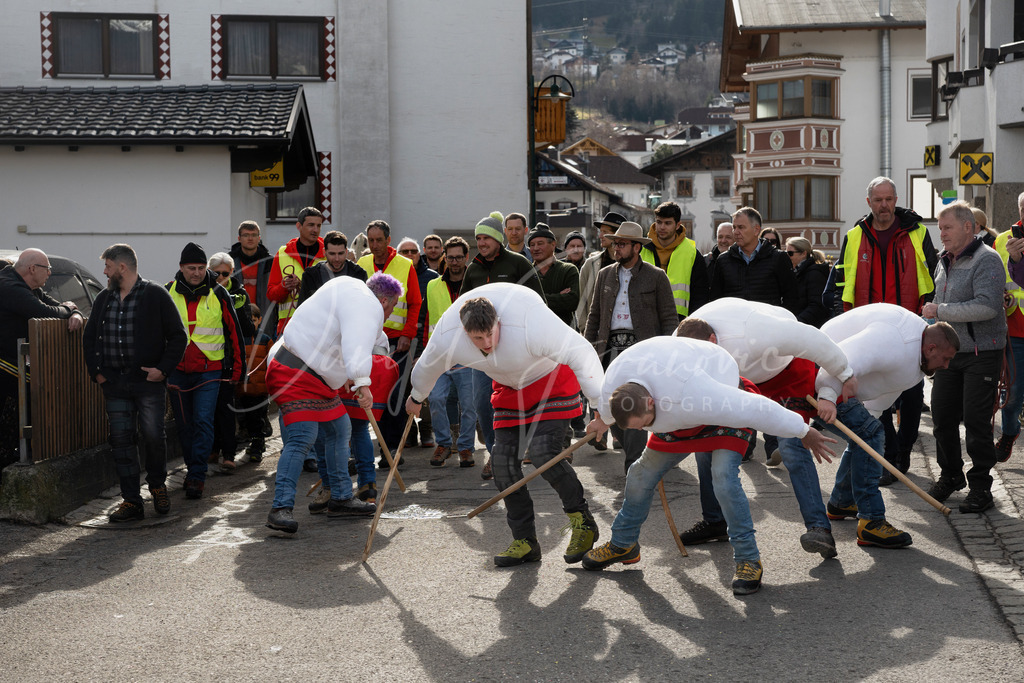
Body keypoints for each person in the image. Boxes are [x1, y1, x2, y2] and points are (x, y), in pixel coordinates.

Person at [580, 337, 836, 596]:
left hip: (721, 411)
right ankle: (623, 544)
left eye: (643, 424)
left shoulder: (696, 392)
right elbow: (611, 409)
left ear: (650, 402)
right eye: (638, 429)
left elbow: (759, 409)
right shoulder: (615, 382)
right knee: (639, 473)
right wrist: (602, 421)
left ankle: (749, 560)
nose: (643, 431)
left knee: (723, 479)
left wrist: (803, 431)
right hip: (676, 413)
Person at [405, 285, 604, 566]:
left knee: (544, 454)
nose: (487, 342)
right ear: (464, 333)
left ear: (499, 321)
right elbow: (427, 366)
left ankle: (582, 524)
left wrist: (600, 407)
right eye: (478, 338)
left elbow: (581, 351)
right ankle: (525, 541)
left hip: (550, 381)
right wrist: (416, 396)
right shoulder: (447, 336)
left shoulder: (528, 320)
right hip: (509, 388)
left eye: (491, 333)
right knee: (501, 464)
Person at [674, 298, 857, 558]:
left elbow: (810, 338)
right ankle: (715, 521)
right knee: (707, 441)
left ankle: (819, 529)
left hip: (783, 371)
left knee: (792, 445)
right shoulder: (680, 344)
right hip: (738, 379)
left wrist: (845, 374)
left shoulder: (756, 331)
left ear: (713, 341)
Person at [816, 304, 959, 546]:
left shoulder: (919, 358)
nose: (946, 366)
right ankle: (871, 522)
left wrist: (869, 417)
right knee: (872, 436)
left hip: (840, 384)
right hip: (820, 375)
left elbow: (887, 389)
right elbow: (842, 357)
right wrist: (827, 396)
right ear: (931, 347)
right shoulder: (897, 340)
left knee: (866, 434)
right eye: (945, 359)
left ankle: (841, 501)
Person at [264, 274, 397, 533]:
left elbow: (351, 339)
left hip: (314, 374)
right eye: (391, 308)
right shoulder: (366, 303)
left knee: (339, 429)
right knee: (303, 437)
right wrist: (362, 383)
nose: (390, 314)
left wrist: (348, 375)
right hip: (293, 371)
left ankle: (340, 498)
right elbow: (357, 344)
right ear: (383, 301)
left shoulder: (350, 288)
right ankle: (280, 508)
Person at [837, 177, 938, 484]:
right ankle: (891, 454)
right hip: (870, 334)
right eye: (878, 200)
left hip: (911, 332)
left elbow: (935, 277)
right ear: (869, 202)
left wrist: (931, 317)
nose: (884, 205)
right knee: (877, 397)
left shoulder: (918, 233)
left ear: (896, 200)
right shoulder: (855, 236)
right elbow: (840, 283)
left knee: (911, 395)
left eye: (889, 199)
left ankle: (904, 451)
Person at [83, 244, 187, 522]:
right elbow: (89, 337)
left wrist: (163, 371)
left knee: (154, 436)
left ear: (122, 267)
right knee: (121, 441)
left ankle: (157, 486)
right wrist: (98, 373)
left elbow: (178, 337)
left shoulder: (155, 294)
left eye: (107, 266)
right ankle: (131, 501)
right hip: (114, 384)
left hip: (148, 384)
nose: (104, 271)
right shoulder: (104, 298)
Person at [923, 201, 1007, 513]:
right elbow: (938, 299)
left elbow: (988, 307)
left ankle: (981, 487)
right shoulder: (944, 260)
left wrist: (939, 311)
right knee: (942, 417)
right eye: (940, 227)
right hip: (950, 354)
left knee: (975, 422)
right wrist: (929, 319)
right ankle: (952, 475)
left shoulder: (987, 259)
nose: (941, 233)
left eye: (947, 228)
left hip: (982, 353)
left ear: (968, 228)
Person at [584, 221, 677, 472]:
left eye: (622, 244)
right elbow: (595, 315)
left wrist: (668, 351)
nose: (617, 248)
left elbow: (669, 317)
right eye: (615, 243)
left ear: (637, 247)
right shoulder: (605, 274)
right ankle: (632, 453)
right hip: (609, 348)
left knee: (632, 403)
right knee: (611, 403)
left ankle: (633, 466)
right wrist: (589, 350)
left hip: (641, 351)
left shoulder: (656, 276)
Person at [463, 211, 545, 478]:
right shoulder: (473, 269)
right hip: (482, 352)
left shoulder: (519, 264)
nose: (482, 242)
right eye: (478, 238)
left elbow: (538, 303)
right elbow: (461, 309)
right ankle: (495, 450)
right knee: (482, 402)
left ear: (498, 239)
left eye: (486, 237)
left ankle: (516, 449)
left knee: (520, 401)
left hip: (516, 348)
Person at [165, 243, 244, 500]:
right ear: (181, 268)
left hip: (210, 370)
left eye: (200, 268)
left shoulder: (219, 293)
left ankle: (197, 475)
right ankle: (192, 468)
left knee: (202, 421)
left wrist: (238, 371)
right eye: (191, 268)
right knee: (185, 426)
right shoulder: (167, 292)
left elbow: (235, 332)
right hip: (176, 371)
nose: (196, 273)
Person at [0, 249, 85, 468]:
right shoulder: (9, 287)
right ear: (31, 269)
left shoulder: (31, 288)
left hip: (16, 360)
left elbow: (59, 306)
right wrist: (68, 309)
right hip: (4, 361)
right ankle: (17, 453)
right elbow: (46, 311)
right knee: (35, 390)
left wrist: (74, 312)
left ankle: (19, 451)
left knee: (38, 390)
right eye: (47, 269)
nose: (49, 274)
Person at [356, 221, 422, 466]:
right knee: (370, 393)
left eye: (379, 240)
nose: (375, 246)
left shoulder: (405, 265)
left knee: (395, 395)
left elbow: (415, 302)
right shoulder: (361, 264)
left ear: (388, 240)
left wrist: (407, 333)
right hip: (368, 339)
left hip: (398, 341)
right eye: (370, 241)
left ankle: (392, 448)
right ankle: (369, 448)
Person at [422, 236, 477, 468]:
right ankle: (443, 443)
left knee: (469, 405)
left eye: (458, 257)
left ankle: (465, 447)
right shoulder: (433, 286)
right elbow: (427, 321)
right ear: (445, 257)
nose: (454, 262)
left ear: (466, 258)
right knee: (435, 399)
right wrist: (423, 353)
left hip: (469, 355)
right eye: (450, 257)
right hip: (440, 355)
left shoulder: (476, 286)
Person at [207, 252, 254, 472]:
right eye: (217, 273)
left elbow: (248, 329)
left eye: (226, 273)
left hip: (228, 358)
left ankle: (228, 453)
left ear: (232, 273)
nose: (221, 277)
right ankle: (213, 449)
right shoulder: (204, 292)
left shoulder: (239, 293)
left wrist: (235, 310)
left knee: (226, 408)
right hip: (207, 359)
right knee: (208, 409)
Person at [710, 207, 798, 312]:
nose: (736, 232)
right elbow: (716, 301)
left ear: (756, 230)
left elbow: (792, 299)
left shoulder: (778, 258)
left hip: (768, 325)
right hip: (734, 325)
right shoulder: (723, 260)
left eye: (741, 227)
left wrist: (776, 321)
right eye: (734, 227)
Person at [396, 236, 439, 449]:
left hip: (424, 339)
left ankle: (426, 429)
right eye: (405, 252)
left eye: (413, 251)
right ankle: (409, 431)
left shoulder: (432, 277)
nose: (410, 255)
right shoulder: (394, 274)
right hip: (401, 339)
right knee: (403, 387)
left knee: (425, 384)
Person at [640, 201, 710, 319]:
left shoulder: (692, 253)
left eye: (667, 223)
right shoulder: (641, 250)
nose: (662, 227)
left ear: (678, 225)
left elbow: (700, 294)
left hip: (680, 319)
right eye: (659, 222)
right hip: (645, 318)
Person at [995, 192, 1024, 462]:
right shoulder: (1003, 240)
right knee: (1012, 393)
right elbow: (994, 281)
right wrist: (1000, 295)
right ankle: (1009, 433)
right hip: (1014, 330)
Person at [267, 207, 325, 335]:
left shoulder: (329, 254)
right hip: (289, 328)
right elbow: (271, 294)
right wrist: (284, 287)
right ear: (299, 226)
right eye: (311, 225)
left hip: (320, 327)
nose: (315, 230)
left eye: (318, 226)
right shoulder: (283, 253)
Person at [576, 212, 622, 333]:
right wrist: (585, 329)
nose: (600, 236)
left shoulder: (631, 264)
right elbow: (581, 301)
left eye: (605, 232)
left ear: (617, 234)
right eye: (600, 231)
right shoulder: (590, 265)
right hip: (596, 333)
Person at [529, 224, 579, 327]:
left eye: (540, 243)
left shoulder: (568, 270)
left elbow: (572, 302)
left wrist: (535, 301)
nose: (536, 248)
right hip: (534, 332)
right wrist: (559, 296)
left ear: (553, 244)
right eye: (532, 245)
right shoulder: (526, 272)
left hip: (563, 333)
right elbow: (522, 304)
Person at [298, 230, 367, 305]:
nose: (337, 259)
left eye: (340, 253)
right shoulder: (310, 276)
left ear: (346, 252)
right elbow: (303, 309)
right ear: (324, 252)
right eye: (332, 254)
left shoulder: (359, 274)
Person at [228, 220, 275, 329]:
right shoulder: (229, 261)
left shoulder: (270, 262)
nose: (250, 238)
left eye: (254, 235)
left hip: (265, 322)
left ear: (259, 238)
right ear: (239, 238)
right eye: (246, 235)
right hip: (236, 320)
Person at [785, 236, 831, 328]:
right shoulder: (794, 272)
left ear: (803, 253)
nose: (787, 257)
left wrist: (797, 322)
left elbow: (817, 306)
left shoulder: (814, 274)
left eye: (790, 253)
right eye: (785, 253)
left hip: (810, 328)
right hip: (800, 325)